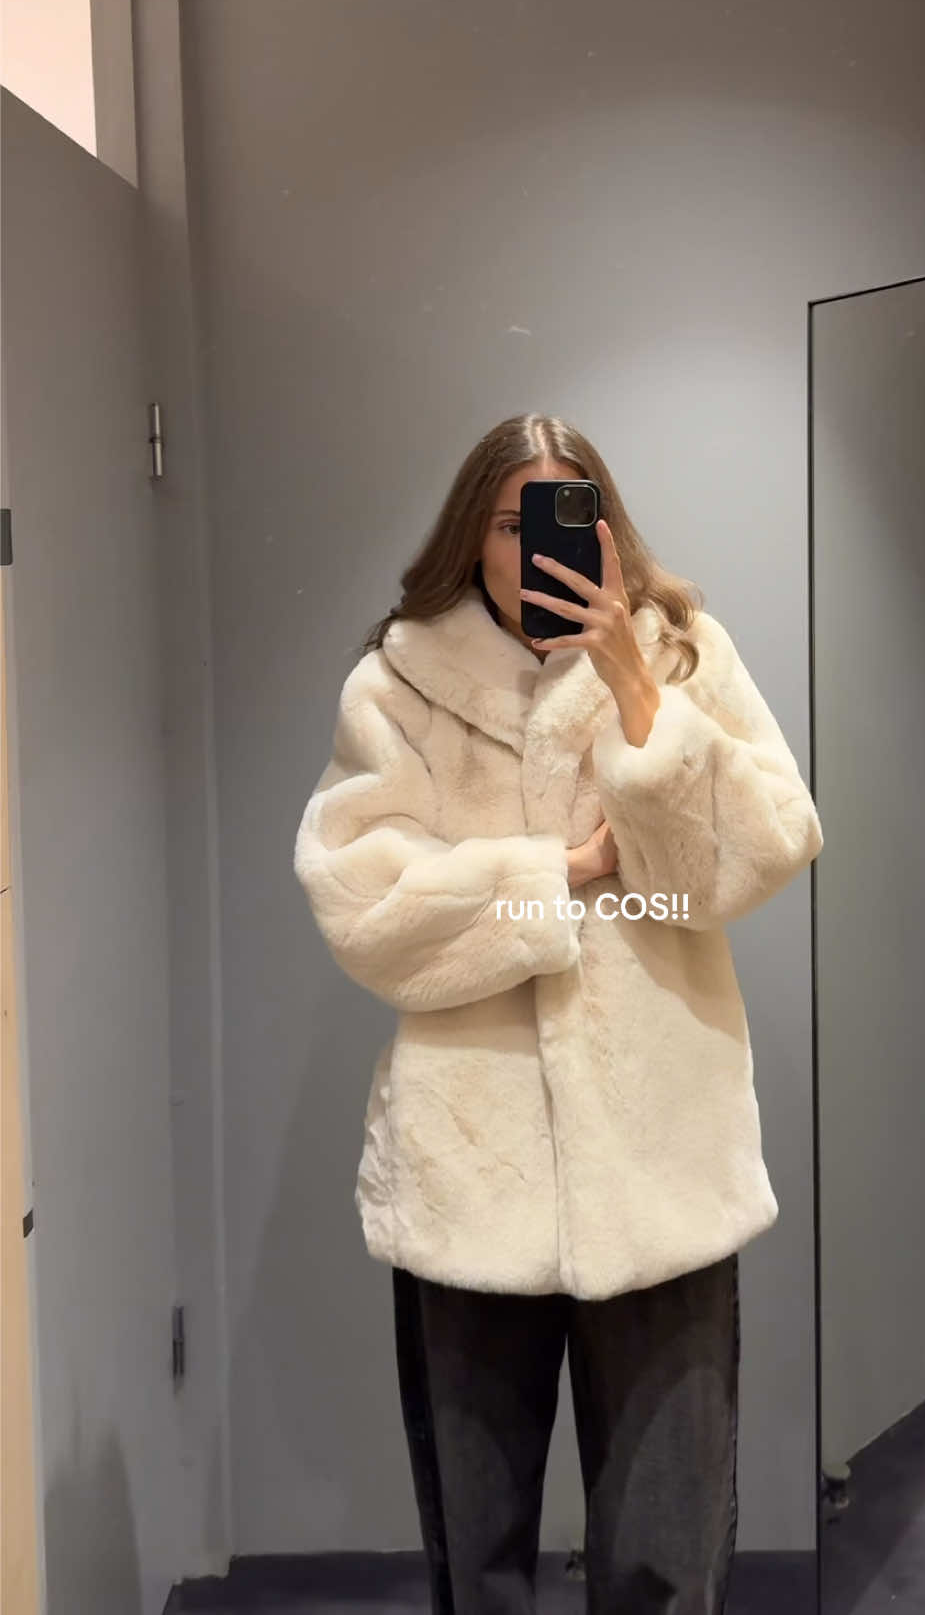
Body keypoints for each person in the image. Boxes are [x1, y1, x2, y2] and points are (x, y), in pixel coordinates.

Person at [293, 413, 824, 1614]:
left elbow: (759, 853)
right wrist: (556, 875)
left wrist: (640, 700)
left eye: (561, 515)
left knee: (668, 1549)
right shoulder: (401, 683)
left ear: (605, 528)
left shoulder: (682, 655)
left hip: (658, 1157)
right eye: (505, 521)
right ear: (470, 539)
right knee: (477, 1550)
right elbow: (363, 904)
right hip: (471, 1166)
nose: (531, 545)